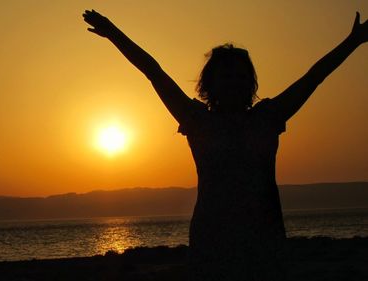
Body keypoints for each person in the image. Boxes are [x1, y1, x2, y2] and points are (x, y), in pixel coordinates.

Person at [83, 9, 367, 281]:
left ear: (251, 83)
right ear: (211, 83)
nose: (235, 82)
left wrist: (352, 41)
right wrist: (113, 33)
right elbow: (153, 72)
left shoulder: (267, 117)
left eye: (242, 76)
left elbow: (314, 77)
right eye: (227, 76)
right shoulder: (197, 120)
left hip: (264, 237)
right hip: (213, 237)